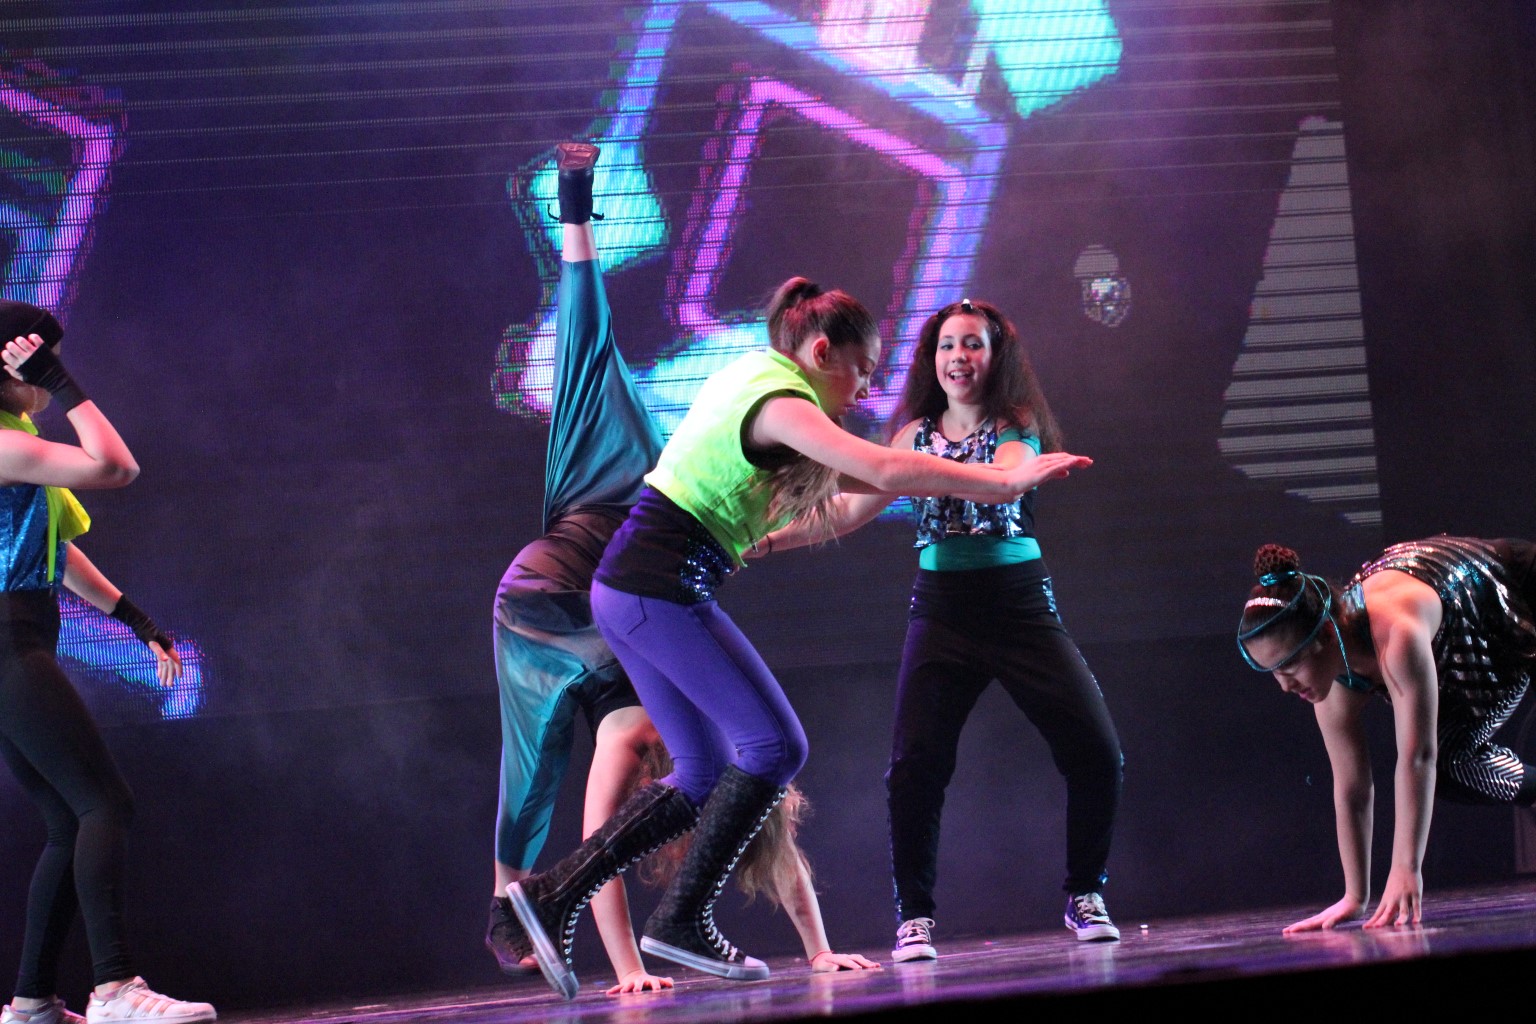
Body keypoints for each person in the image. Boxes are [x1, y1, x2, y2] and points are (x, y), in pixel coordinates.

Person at [507, 240, 1090, 1000]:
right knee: (775, 745)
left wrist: (773, 536)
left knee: (703, 773)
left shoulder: (761, 376)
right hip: (654, 587)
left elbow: (848, 496)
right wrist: (1000, 481)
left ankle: (553, 897)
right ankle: (676, 917)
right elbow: (884, 468)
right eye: (862, 370)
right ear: (822, 352)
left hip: (648, 587)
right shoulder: (782, 401)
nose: (866, 388)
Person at [489, 143, 878, 996]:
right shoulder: (622, 432)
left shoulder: (729, 459)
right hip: (574, 585)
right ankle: (531, 902)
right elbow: (585, 317)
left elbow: (821, 511)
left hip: (620, 590)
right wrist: (577, 202)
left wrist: (897, 481)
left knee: (722, 767)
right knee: (639, 745)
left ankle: (540, 901)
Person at [759, 298, 1124, 959]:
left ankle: (1085, 893)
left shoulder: (1016, 425)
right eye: (948, 345)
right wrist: (766, 541)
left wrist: (1010, 476)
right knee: (914, 770)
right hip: (942, 612)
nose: (960, 356)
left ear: (995, 356)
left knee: (1096, 750)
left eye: (974, 344)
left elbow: (1005, 479)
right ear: (933, 359)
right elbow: (847, 511)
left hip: (1019, 608)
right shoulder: (911, 438)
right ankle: (915, 917)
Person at [0, 302, 216, 1024]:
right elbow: (117, 466)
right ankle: (115, 988)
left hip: (21, 633)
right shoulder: (1, 445)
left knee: (70, 818)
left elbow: (52, 551)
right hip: (6, 640)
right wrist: (63, 385)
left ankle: (30, 1003)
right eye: (40, 361)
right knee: (105, 804)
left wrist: (137, 623)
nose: (47, 375)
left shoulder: (15, 442)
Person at [1236, 537, 1536, 932]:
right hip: (1474, 637)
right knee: (1450, 767)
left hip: (1517, 586)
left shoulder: (1396, 633)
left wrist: (1406, 868)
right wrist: (1354, 896)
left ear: (1325, 634)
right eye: (1273, 672)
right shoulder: (1332, 680)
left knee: (1437, 762)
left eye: (1289, 666)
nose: (1285, 686)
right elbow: (1352, 789)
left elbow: (1417, 757)